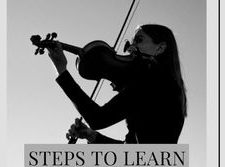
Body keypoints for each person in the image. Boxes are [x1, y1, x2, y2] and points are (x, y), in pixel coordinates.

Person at [47, 24, 187, 144]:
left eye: (138, 41)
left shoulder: (153, 83)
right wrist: (91, 135)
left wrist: (62, 71)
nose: (130, 49)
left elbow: (97, 119)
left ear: (160, 48)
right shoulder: (168, 84)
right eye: (130, 43)